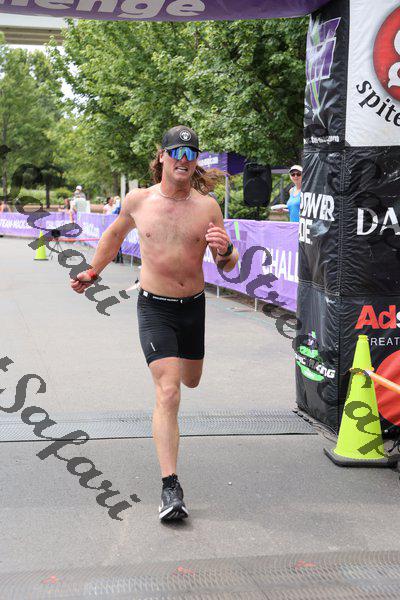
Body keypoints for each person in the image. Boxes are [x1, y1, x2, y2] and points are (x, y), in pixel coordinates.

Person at [70, 125, 239, 522]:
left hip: (192, 307)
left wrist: (227, 250)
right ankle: (170, 487)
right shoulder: (138, 201)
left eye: (191, 153)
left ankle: (171, 476)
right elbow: (113, 236)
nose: (184, 159)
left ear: (195, 161)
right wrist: (92, 272)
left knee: (191, 380)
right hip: (155, 308)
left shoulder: (207, 207)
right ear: (162, 156)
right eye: (177, 151)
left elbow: (228, 266)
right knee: (169, 391)